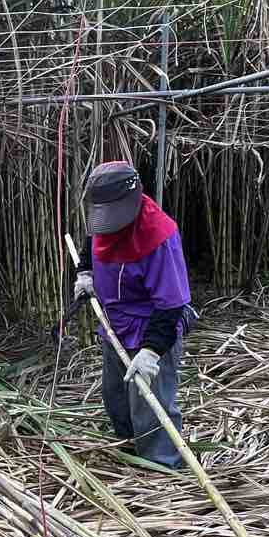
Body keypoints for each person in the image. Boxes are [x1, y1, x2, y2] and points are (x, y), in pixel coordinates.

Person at [73, 160, 192, 468]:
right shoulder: (106, 220)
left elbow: (171, 303)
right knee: (115, 397)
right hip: (114, 325)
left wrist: (151, 352)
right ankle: (129, 452)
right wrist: (85, 272)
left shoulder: (159, 236)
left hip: (151, 329)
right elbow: (94, 237)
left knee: (151, 406)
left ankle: (163, 467)